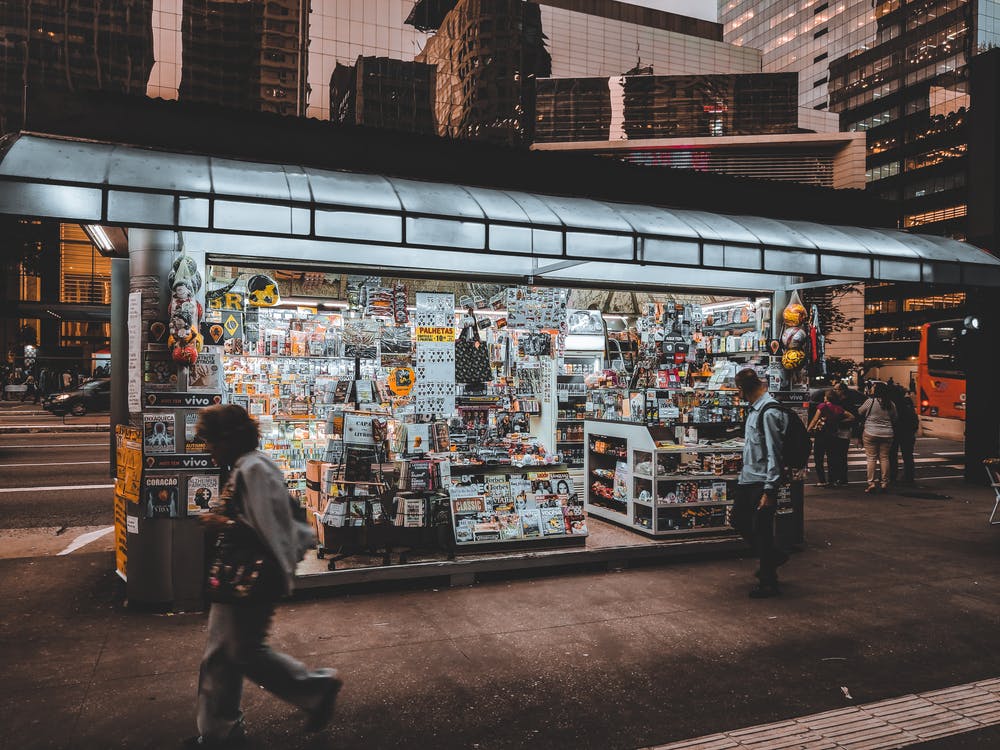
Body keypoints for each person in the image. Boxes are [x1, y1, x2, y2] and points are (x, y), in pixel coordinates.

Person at [188, 405, 341, 748]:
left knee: (239, 653)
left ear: (229, 440)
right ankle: (219, 731)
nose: (210, 450)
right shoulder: (248, 466)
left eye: (212, 442)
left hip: (251, 579)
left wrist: (221, 523)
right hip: (243, 577)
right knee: (226, 654)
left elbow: (268, 531)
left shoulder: (254, 469)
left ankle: (315, 688)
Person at [731, 368, 790, 599]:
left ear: (741, 389)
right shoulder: (756, 410)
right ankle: (774, 556)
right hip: (748, 478)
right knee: (739, 520)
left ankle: (768, 581)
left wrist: (770, 489)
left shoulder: (769, 412)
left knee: (763, 529)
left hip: (762, 481)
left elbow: (776, 454)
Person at [807, 389, 854, 488]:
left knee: (818, 458)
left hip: (821, 435)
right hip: (833, 435)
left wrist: (808, 430)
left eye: (825, 396)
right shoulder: (838, 408)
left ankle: (822, 480)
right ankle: (831, 480)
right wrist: (839, 421)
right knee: (831, 458)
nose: (824, 398)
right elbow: (851, 417)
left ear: (827, 398)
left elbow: (815, 419)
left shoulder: (822, 406)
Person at [859, 382, 897, 494]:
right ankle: (884, 483)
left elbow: (860, 411)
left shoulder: (870, 402)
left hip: (871, 432)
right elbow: (895, 417)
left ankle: (871, 483)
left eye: (873, 388)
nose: (871, 389)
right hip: (887, 433)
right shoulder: (890, 403)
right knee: (884, 458)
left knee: (871, 458)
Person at [889, 388, 918, 486]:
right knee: (908, 455)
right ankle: (909, 476)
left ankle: (892, 476)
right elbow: (913, 416)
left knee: (892, 455)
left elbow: (893, 417)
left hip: (896, 431)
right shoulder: (907, 402)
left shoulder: (892, 404)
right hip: (908, 431)